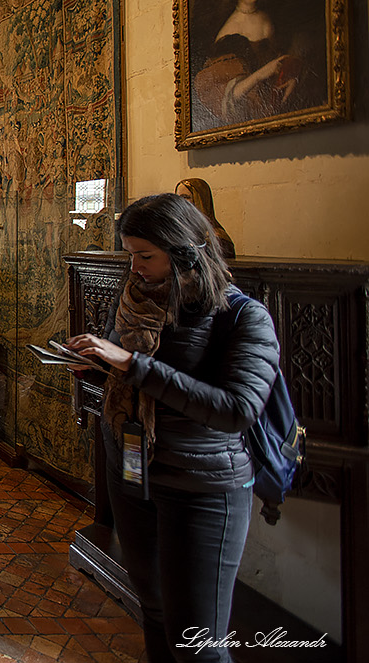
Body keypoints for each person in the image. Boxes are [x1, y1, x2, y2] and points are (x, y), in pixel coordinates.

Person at [64, 193, 279, 663]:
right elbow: (130, 375)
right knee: (156, 613)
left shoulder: (244, 317)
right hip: (135, 475)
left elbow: (236, 409)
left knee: (198, 645)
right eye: (131, 255)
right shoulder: (136, 304)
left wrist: (133, 365)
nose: (135, 267)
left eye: (146, 256)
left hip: (200, 486)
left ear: (185, 251)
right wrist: (96, 366)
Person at [174, 178, 235, 260]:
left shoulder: (217, 238)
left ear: (200, 200)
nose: (180, 202)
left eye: (186, 197)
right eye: (178, 198)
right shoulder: (177, 232)